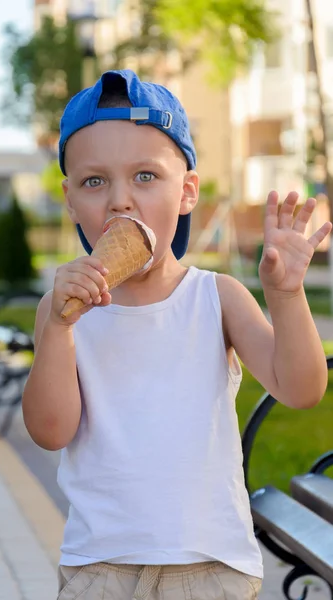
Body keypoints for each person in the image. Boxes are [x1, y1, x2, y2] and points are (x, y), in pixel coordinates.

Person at [22, 70, 332, 600]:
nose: (120, 200)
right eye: (95, 181)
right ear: (70, 201)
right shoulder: (63, 310)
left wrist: (285, 296)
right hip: (100, 564)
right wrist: (58, 329)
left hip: (210, 564)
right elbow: (51, 431)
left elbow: (301, 389)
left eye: (145, 176)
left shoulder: (217, 297)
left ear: (186, 191)